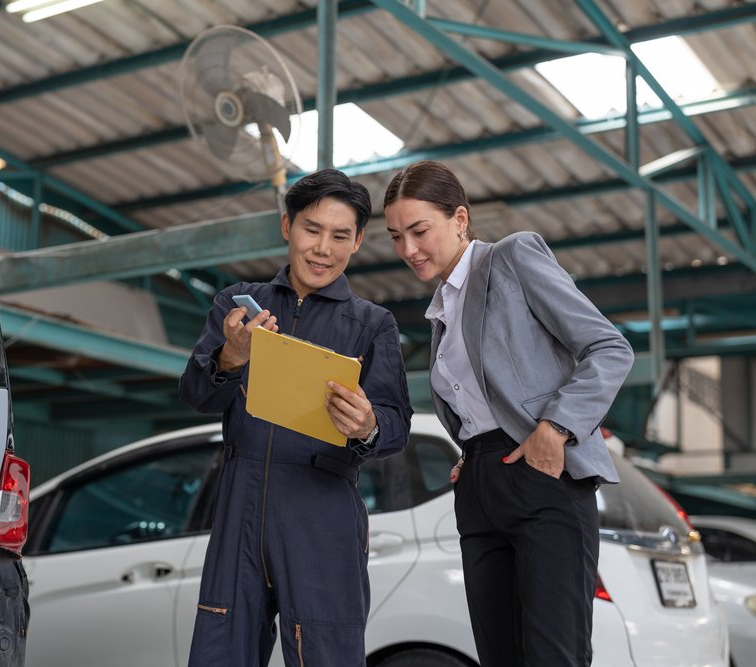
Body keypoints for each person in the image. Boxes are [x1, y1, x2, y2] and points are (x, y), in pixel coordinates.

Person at [383, 160, 634, 667]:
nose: (408, 249)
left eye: (419, 231)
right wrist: (472, 450)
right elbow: (483, 394)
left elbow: (610, 348)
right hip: (479, 489)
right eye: (395, 237)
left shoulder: (512, 258)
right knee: (499, 656)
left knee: (553, 656)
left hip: (543, 478)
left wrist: (555, 429)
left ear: (459, 218)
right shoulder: (442, 310)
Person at [179, 168, 412, 666]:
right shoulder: (238, 307)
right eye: (312, 229)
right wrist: (230, 357)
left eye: (340, 236)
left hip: (322, 510)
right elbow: (196, 394)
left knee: (326, 653)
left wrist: (368, 425)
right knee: (222, 648)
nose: (323, 249)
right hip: (239, 505)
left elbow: (397, 426)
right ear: (287, 226)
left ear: (357, 242)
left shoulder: (372, 325)